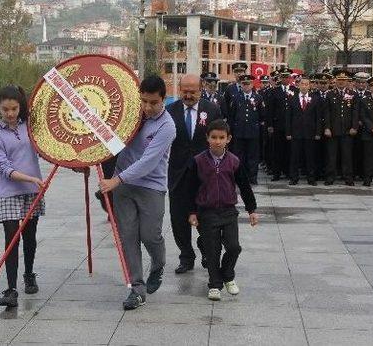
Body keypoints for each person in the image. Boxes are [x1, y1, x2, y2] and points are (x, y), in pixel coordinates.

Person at [99, 75, 176, 310]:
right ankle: (137, 288)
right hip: (123, 188)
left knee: (150, 235)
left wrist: (116, 180)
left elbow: (148, 162)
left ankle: (158, 264)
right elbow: (106, 139)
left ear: (164, 98)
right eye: (143, 101)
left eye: (153, 102)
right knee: (128, 236)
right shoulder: (130, 115)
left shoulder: (167, 126)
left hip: (151, 187)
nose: (148, 107)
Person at [187, 119, 259, 301]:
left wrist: (252, 210)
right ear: (207, 138)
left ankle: (228, 275)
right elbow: (190, 188)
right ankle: (215, 284)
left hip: (228, 212)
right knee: (213, 250)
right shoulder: (198, 161)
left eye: (221, 137)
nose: (217, 141)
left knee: (234, 247)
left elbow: (244, 186)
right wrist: (192, 212)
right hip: (207, 212)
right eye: (213, 137)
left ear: (229, 139)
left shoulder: (234, 161)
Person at [0, 86, 45, 308]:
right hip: (9, 192)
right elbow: (4, 168)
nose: (10, 113)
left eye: (14, 108)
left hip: (32, 192)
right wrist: (30, 179)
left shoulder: (30, 126)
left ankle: (29, 274)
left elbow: (45, 150)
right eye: (5, 109)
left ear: (20, 107)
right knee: (12, 239)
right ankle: (11, 288)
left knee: (30, 237)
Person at [167, 74, 221, 274]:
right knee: (178, 218)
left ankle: (207, 250)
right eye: (185, 91)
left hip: (204, 174)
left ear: (201, 89)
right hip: (178, 173)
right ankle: (186, 256)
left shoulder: (212, 110)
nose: (188, 95)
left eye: (193, 91)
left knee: (206, 217)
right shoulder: (170, 111)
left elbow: (219, 139)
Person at [323, 70, 358, 186]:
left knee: (347, 156)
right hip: (333, 130)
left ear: (347, 81)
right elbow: (326, 113)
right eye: (339, 80)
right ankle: (330, 177)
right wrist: (327, 128)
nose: (341, 82)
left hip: (348, 130)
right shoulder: (330, 94)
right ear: (335, 81)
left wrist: (354, 127)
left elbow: (355, 112)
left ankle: (348, 177)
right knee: (331, 156)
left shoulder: (353, 94)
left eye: (343, 80)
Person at [285, 77, 322, 185]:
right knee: (295, 157)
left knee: (310, 157)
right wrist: (288, 132)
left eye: (306, 84)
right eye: (302, 84)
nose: (304, 86)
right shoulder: (292, 98)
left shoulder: (315, 99)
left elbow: (318, 117)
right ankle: (294, 178)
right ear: (299, 85)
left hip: (310, 133)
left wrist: (318, 132)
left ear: (309, 86)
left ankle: (311, 178)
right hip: (296, 133)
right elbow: (288, 117)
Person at [228, 74, 264, 184]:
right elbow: (232, 116)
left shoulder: (258, 98)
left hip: (253, 132)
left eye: (248, 84)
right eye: (243, 84)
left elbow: (262, 115)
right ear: (241, 85)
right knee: (239, 156)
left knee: (253, 155)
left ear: (252, 84)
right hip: (239, 132)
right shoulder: (236, 98)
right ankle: (240, 177)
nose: (246, 86)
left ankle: (253, 177)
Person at [266, 67, 293, 181]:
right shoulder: (274, 91)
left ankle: (287, 172)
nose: (286, 79)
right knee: (277, 150)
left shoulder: (294, 90)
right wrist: (270, 125)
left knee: (290, 150)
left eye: (287, 77)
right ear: (280, 78)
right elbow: (270, 110)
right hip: (278, 125)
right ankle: (276, 173)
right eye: (283, 77)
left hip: (291, 126)